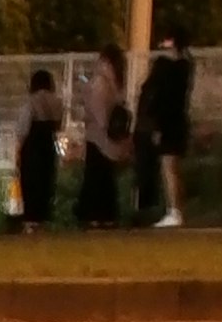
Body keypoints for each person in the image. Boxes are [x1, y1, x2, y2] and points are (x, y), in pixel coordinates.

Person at [135, 30, 194, 231]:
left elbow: (159, 97)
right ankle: (178, 210)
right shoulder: (186, 66)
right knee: (174, 168)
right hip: (179, 121)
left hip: (168, 123)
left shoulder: (166, 68)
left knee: (168, 168)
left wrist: (157, 125)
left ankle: (174, 210)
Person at [73, 50, 129, 228]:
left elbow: (100, 115)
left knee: (95, 177)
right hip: (113, 140)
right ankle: (108, 216)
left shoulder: (100, 83)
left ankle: (94, 217)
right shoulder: (118, 84)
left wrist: (86, 115)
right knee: (107, 179)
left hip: (97, 137)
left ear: (106, 61)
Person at [13, 65, 61, 230]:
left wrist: (17, 152)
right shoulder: (56, 101)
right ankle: (43, 220)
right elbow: (58, 126)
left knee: (30, 183)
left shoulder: (31, 102)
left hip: (32, 148)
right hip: (48, 145)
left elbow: (22, 129)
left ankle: (30, 222)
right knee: (46, 182)